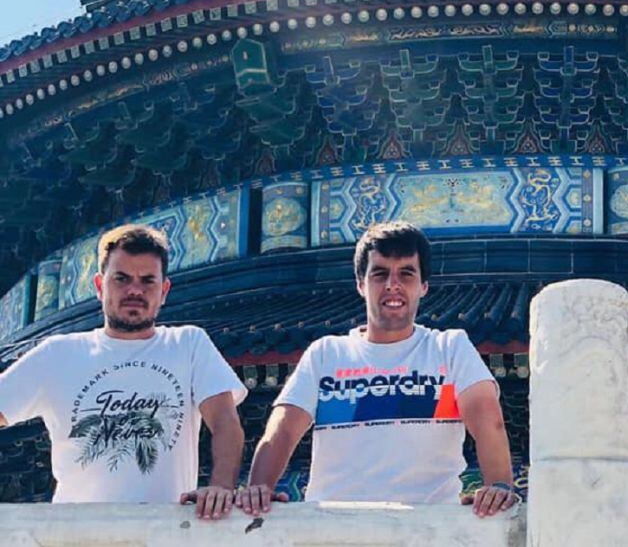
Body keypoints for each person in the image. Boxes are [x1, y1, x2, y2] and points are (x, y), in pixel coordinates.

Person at [240, 220, 516, 516]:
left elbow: (489, 420)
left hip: (428, 530)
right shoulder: (326, 354)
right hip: (333, 531)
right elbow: (281, 430)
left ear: (424, 285)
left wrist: (499, 486)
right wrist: (259, 489)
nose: (392, 285)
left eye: (406, 273)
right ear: (361, 284)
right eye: (380, 273)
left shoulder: (450, 348)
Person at [0, 224, 247, 519]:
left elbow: (223, 420)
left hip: (164, 532)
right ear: (100, 286)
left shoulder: (188, 344)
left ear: (164, 290)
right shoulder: (57, 354)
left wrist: (221, 487)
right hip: (75, 533)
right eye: (121, 279)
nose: (135, 290)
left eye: (147, 281)